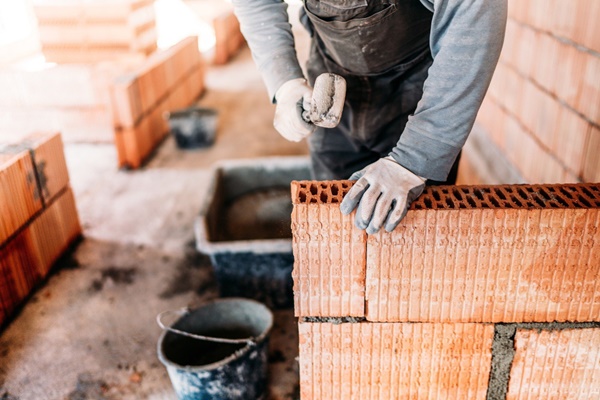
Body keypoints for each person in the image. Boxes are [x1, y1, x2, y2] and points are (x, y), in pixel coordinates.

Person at [231, 0, 507, 234]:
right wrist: (285, 82)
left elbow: (475, 11)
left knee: (410, 243)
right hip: (332, 76)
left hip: (416, 96)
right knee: (334, 232)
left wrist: (418, 155)